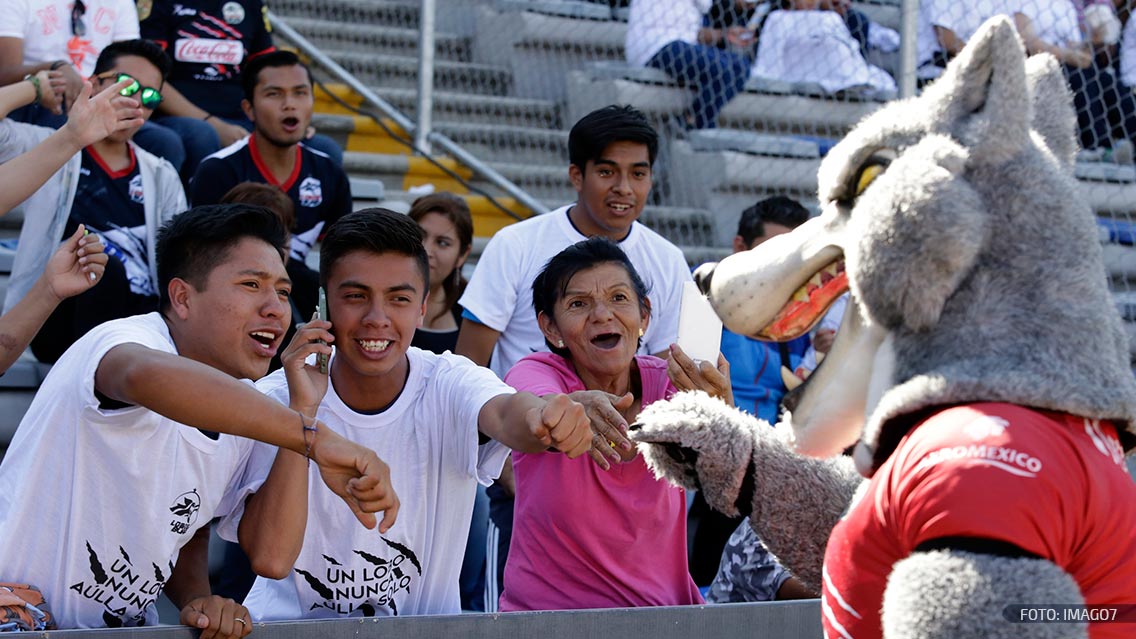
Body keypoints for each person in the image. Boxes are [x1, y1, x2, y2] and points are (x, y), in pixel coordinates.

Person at [0, 203, 398, 631]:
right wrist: (315, 439)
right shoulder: (126, 338)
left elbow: (263, 554)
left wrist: (197, 600)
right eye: (251, 284)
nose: (276, 309)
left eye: (283, 293)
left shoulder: (248, 404)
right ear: (183, 297)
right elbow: (143, 375)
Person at [220, 208, 594, 620]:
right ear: (324, 301)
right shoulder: (272, 398)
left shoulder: (450, 380)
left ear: (422, 307)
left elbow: (507, 413)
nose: (377, 318)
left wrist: (545, 419)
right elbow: (271, 560)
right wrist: (303, 413)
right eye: (355, 296)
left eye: (398, 298)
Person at [454, 104, 693, 609]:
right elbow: (471, 367)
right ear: (575, 176)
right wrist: (514, 452)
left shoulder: (668, 261)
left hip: (633, 485)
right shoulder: (517, 245)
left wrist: (713, 414)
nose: (623, 188)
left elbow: (675, 372)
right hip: (526, 471)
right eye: (607, 171)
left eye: (638, 173)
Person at [499, 237, 727, 611]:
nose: (602, 315)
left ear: (645, 317)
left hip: (666, 617)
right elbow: (532, 406)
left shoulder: (674, 380)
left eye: (619, 298)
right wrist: (567, 411)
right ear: (551, 329)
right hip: (548, 621)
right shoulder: (536, 372)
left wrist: (722, 413)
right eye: (578, 304)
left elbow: (724, 477)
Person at [0, 39, 188, 364]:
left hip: (140, 326)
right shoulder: (49, 147)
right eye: (126, 85)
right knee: (100, 264)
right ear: (95, 82)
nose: (136, 101)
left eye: (149, 96)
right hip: (60, 317)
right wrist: (35, 86)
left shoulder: (161, 174)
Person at [190, 50, 351, 318]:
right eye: (274, 94)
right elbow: (203, 263)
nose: (290, 104)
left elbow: (343, 260)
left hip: (298, 290)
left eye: (300, 93)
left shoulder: (330, 173)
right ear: (248, 109)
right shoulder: (218, 170)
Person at [136, 0, 343, 182]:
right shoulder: (158, 3)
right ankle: (196, 220)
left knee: (324, 148)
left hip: (242, 118)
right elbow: (148, 75)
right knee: (202, 136)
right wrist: (213, 123)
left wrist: (289, 115)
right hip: (176, 119)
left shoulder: (250, 4)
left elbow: (268, 70)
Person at [0, 0, 139, 129]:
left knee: (156, 139)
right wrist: (54, 68)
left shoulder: (121, 3)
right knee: (63, 117)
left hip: (99, 99)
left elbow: (130, 68)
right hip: (41, 102)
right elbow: (4, 74)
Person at [625, 0, 752, 129]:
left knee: (740, 66)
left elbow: (693, 34)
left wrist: (724, 34)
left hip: (681, 46)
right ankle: (701, 126)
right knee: (721, 69)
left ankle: (690, 118)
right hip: (654, 46)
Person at [408, 192, 473, 355]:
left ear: (463, 254)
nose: (426, 250)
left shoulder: (472, 309)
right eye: (419, 236)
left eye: (442, 243)